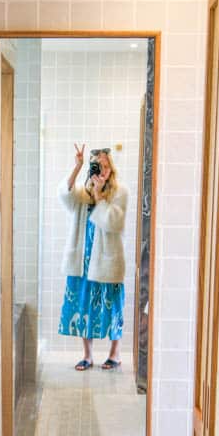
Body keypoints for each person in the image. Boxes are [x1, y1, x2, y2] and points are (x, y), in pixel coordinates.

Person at [58, 143, 128, 370]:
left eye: (107, 167)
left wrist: (100, 197)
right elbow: (66, 196)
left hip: (106, 260)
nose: (103, 171)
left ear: (112, 169)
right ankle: (87, 355)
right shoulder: (84, 191)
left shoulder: (119, 192)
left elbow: (113, 223)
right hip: (83, 261)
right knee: (83, 304)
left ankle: (115, 354)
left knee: (111, 306)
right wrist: (77, 168)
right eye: (99, 166)